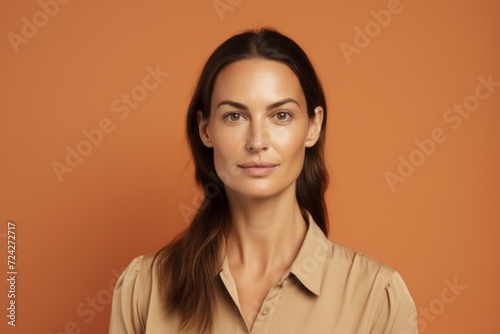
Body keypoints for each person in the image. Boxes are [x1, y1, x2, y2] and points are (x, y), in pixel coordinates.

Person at [109, 28, 417, 334]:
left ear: (313, 126)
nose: (257, 141)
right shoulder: (144, 288)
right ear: (205, 129)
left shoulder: (377, 297)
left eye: (281, 115)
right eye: (235, 116)